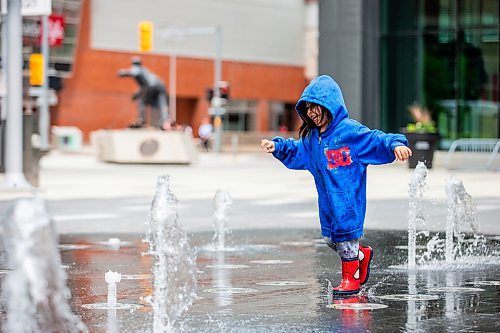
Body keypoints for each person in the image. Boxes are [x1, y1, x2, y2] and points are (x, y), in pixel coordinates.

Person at [260, 75, 412, 295]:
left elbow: (376, 139)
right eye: (308, 108)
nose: (312, 112)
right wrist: (277, 146)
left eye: (316, 107)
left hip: (348, 201)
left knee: (346, 240)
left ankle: (350, 280)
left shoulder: (349, 132)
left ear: (330, 105)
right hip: (328, 203)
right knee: (330, 239)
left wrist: (396, 144)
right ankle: (362, 255)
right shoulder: (312, 139)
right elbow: (297, 151)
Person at [118, 56, 169, 129]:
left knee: (140, 101)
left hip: (151, 87)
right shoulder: (146, 71)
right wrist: (137, 94)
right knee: (160, 105)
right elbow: (143, 87)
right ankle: (165, 121)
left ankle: (141, 120)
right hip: (160, 87)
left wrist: (123, 72)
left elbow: (134, 72)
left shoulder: (137, 68)